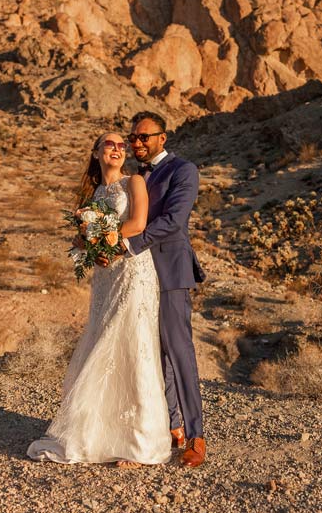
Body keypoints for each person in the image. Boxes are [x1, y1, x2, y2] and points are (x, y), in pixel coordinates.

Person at [27, 132, 170, 467]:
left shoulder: (134, 181)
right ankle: (99, 435)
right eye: (110, 144)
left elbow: (137, 223)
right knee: (102, 342)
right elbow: (83, 241)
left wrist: (111, 245)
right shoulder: (94, 194)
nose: (118, 149)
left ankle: (140, 443)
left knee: (132, 344)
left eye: (123, 145)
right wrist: (91, 248)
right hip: (106, 276)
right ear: (96, 153)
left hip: (134, 270)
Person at [124, 111, 207, 468]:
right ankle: (170, 427)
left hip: (170, 271)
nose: (138, 143)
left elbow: (174, 221)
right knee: (155, 355)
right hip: (140, 275)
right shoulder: (135, 177)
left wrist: (130, 245)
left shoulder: (183, 170)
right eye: (134, 138)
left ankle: (196, 435)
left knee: (179, 352)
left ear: (163, 138)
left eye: (145, 137)